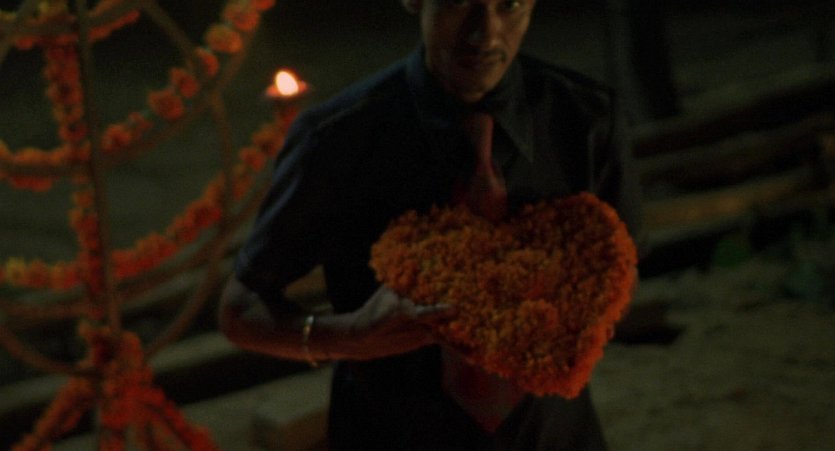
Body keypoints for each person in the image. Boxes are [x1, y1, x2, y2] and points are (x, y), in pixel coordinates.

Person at [218, 0, 642, 449]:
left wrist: (550, 317)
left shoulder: (585, 119)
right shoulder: (338, 139)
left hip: (551, 435)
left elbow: (625, 268)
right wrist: (350, 336)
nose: (485, 34)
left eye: (510, 5)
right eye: (458, 3)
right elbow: (239, 309)